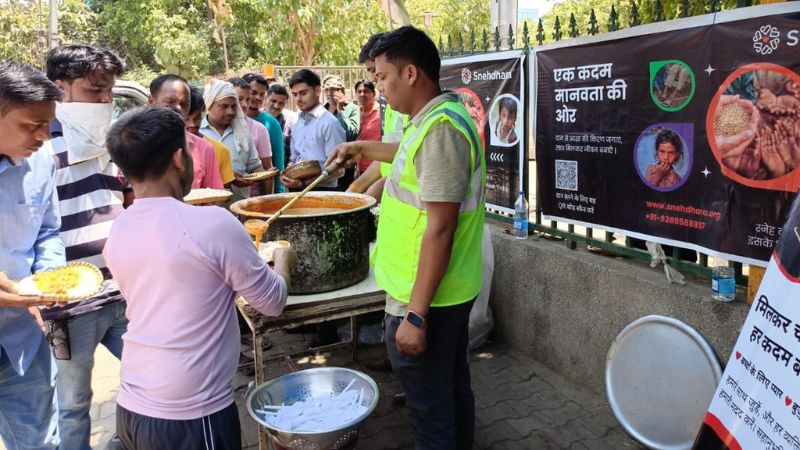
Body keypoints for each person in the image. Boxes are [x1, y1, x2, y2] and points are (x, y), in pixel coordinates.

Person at [327, 26, 485, 449]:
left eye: (381, 76)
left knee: (430, 411)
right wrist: (360, 148)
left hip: (428, 296)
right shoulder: (428, 121)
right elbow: (405, 152)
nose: (378, 86)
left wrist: (415, 316)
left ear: (410, 73)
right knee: (449, 392)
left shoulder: (441, 131)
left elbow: (441, 227)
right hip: (434, 289)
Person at [104, 106, 295, 449]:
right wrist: (283, 257)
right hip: (192, 414)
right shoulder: (212, 225)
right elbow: (272, 302)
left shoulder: (119, 228)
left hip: (132, 404)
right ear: (179, 159)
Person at [43, 44, 130, 450]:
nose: (105, 101)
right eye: (94, 92)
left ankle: (125, 441)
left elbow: (125, 201)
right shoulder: (36, 147)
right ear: (60, 90)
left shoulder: (112, 142)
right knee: (74, 402)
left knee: (145, 377)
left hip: (124, 291)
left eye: (109, 91)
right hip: (69, 304)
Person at [0, 60, 63, 450]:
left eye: (48, 124)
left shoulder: (41, 162)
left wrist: (49, 278)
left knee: (41, 443)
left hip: (20, 342)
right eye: (31, 126)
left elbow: (49, 231)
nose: (43, 136)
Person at [148, 74, 223, 190]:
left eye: (184, 104)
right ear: (151, 101)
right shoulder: (134, 146)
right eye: (170, 102)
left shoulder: (205, 148)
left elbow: (215, 196)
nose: (178, 109)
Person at [200, 78, 265, 201]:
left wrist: (264, 174)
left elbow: (255, 166)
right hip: (207, 209)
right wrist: (230, 177)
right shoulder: (197, 133)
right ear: (210, 105)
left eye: (233, 106)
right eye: (224, 106)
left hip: (240, 207)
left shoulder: (243, 133)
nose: (230, 112)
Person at [280, 69, 345, 191]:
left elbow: (338, 170)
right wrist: (288, 174)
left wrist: (304, 184)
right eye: (295, 94)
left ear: (317, 90)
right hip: (296, 189)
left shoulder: (330, 123)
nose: (298, 99)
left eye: (303, 93)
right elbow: (294, 158)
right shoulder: (297, 121)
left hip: (323, 192)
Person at [228, 77, 273, 194]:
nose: (244, 104)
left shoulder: (255, 130)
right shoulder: (201, 130)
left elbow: (262, 167)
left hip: (247, 199)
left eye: (247, 100)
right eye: (239, 99)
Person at [186, 87, 235, 188]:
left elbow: (223, 192)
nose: (192, 124)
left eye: (197, 118)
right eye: (186, 119)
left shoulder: (219, 150)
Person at [244, 73, 285, 191]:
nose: (258, 98)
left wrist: (278, 194)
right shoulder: (231, 121)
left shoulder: (271, 124)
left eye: (262, 94)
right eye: (254, 93)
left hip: (261, 191)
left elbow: (277, 165)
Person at [265, 83, 297, 176]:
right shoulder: (256, 120)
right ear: (266, 98)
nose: (276, 106)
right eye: (273, 101)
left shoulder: (292, 121)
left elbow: (294, 152)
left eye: (281, 103)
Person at [355, 79, 380, 175]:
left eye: (366, 91)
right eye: (359, 92)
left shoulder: (381, 113)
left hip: (377, 165)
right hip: (359, 165)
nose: (362, 94)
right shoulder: (355, 113)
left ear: (373, 94)